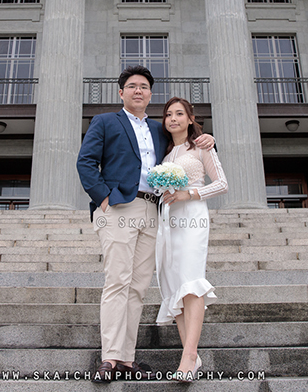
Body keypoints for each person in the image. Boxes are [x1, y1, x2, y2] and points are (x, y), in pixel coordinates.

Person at [77, 66, 215, 383]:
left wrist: (205, 137)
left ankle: (127, 358)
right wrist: (102, 198)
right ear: (121, 92)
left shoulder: (158, 129)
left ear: (150, 94)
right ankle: (110, 357)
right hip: (119, 207)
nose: (138, 91)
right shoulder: (105, 122)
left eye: (144, 87)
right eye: (132, 86)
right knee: (117, 281)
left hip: (153, 211)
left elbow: (186, 143)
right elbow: (85, 162)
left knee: (138, 287)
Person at [155, 97, 228, 382]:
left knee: (192, 280)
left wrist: (190, 193)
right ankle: (191, 356)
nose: (173, 118)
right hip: (169, 220)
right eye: (168, 114)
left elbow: (222, 183)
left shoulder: (202, 146)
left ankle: (188, 357)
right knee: (177, 284)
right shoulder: (166, 154)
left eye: (179, 114)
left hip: (193, 216)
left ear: (189, 118)